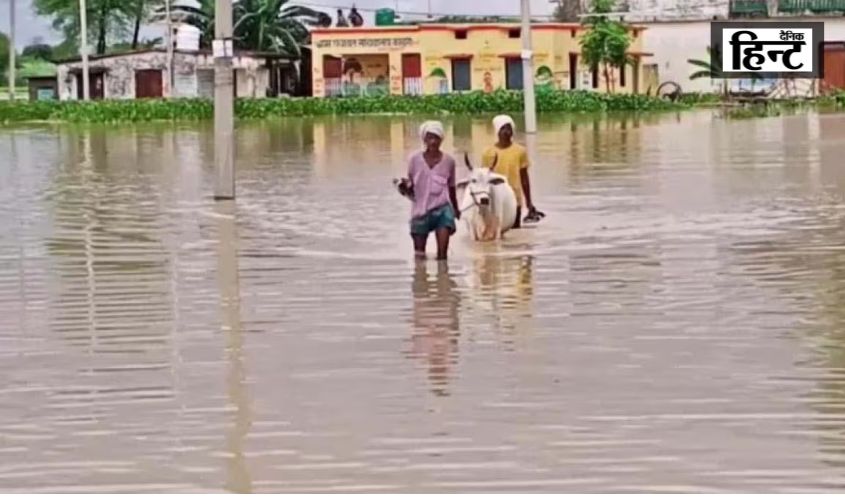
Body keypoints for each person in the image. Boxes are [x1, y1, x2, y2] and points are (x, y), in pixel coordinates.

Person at [405, 121, 460, 261]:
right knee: (420, 256)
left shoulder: (449, 161)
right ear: (424, 139)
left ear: (441, 139)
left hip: (442, 209)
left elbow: (451, 186)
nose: (433, 141)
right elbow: (410, 184)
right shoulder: (414, 159)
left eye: (436, 138)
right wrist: (404, 186)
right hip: (420, 211)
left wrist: (456, 209)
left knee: (442, 256)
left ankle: (443, 280)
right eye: (429, 138)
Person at [481, 115, 540, 229]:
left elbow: (524, 178)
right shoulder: (488, 152)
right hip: (495, 200)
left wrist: (529, 202)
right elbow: (484, 178)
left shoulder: (520, 151)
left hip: (514, 199)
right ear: (497, 131)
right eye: (503, 128)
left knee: (514, 232)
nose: (507, 132)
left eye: (509, 128)